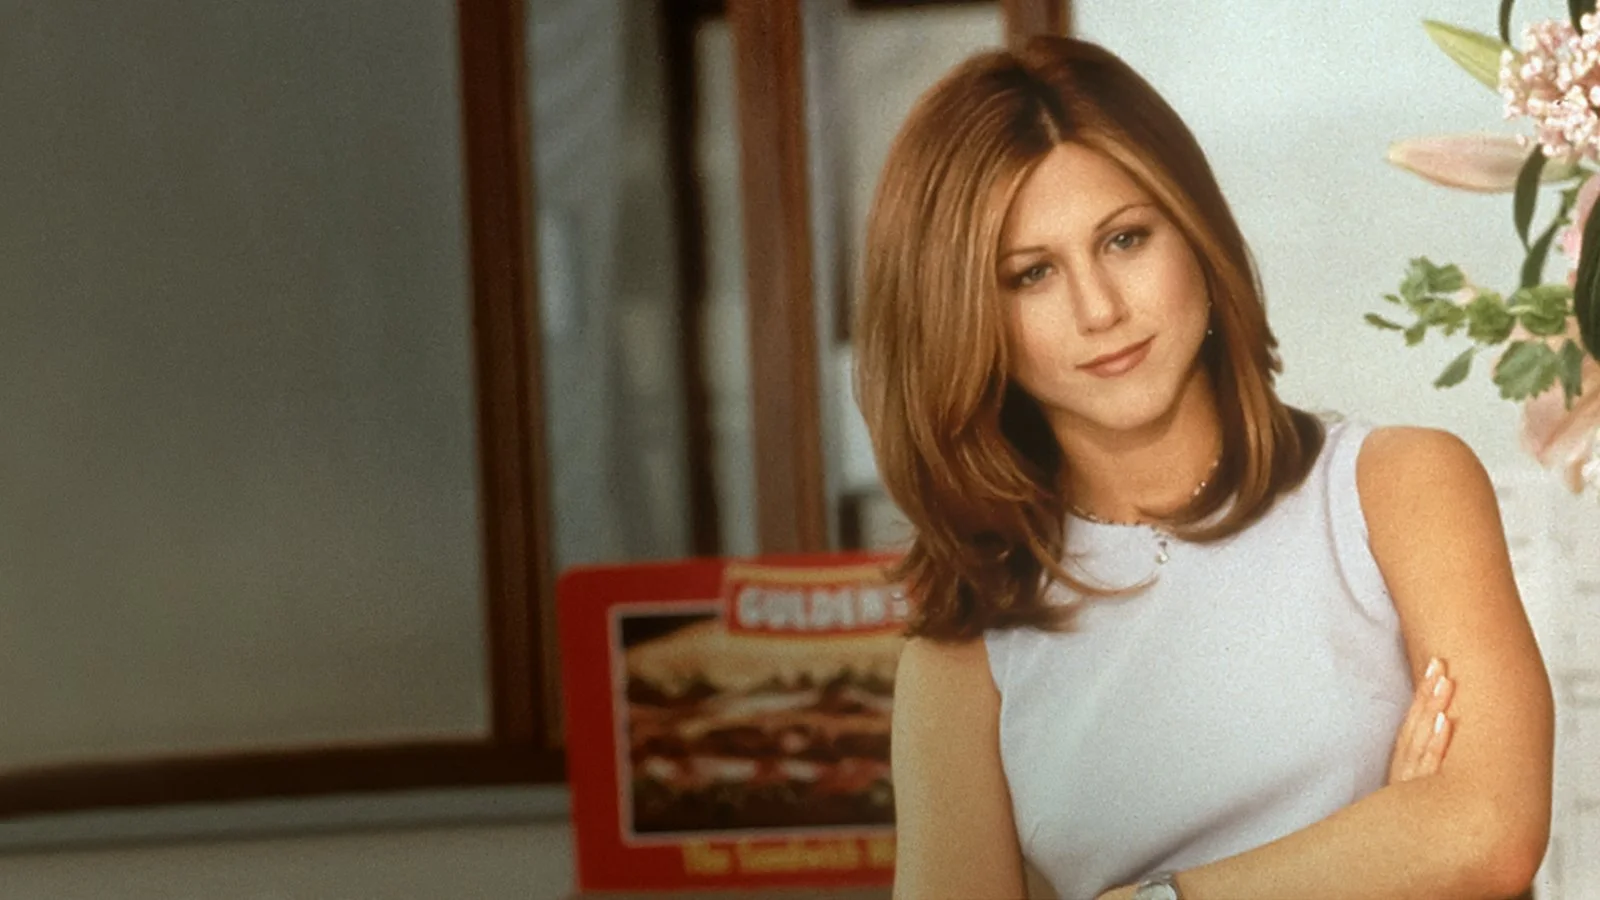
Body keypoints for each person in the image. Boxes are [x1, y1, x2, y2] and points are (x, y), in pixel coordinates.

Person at [852, 35, 1555, 900]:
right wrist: (1383, 853)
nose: (1099, 309)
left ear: (1194, 232)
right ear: (966, 319)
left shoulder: (1399, 487)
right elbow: (1440, 846)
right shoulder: (964, 654)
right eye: (1031, 275)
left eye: (1125, 239)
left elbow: (1488, 830)